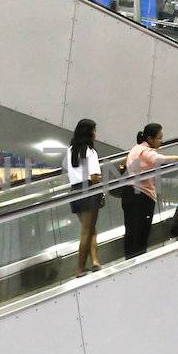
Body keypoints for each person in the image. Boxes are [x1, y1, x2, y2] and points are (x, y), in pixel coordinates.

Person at [121, 124, 178, 259]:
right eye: (159, 138)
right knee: (141, 231)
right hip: (142, 196)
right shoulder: (146, 151)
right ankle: (139, 259)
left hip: (129, 193)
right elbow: (158, 159)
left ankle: (130, 260)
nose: (161, 141)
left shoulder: (136, 148)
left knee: (131, 230)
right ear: (150, 139)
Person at [64, 117, 103, 276]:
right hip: (89, 191)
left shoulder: (70, 149)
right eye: (94, 130)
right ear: (89, 132)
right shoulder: (90, 151)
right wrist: (100, 182)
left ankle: (94, 261)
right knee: (87, 231)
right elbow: (94, 176)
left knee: (90, 229)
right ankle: (80, 268)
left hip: (75, 191)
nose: (95, 133)